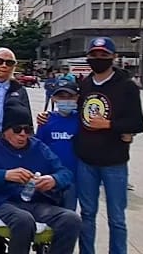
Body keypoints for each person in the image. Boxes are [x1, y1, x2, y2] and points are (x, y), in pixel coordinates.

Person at [0, 100, 80, 254]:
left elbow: (65, 173)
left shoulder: (39, 148)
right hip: (2, 202)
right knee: (23, 220)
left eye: (27, 130)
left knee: (71, 219)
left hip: (37, 202)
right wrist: (5, 175)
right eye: (17, 129)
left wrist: (53, 180)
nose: (23, 134)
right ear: (5, 130)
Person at [75, 37, 143, 254]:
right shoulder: (85, 84)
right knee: (87, 214)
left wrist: (110, 125)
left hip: (114, 162)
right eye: (94, 55)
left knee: (116, 218)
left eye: (103, 55)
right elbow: (79, 114)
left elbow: (137, 123)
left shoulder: (126, 87)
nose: (98, 59)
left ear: (113, 57)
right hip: (86, 160)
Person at [35, 79, 79, 210]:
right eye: (61, 97)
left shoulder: (81, 120)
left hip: (73, 177)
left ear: (77, 98)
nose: (66, 100)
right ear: (53, 98)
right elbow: (40, 148)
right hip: (51, 176)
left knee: (69, 214)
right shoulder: (46, 120)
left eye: (70, 97)